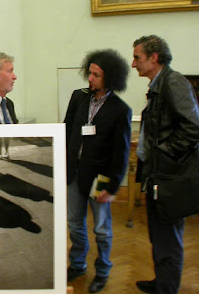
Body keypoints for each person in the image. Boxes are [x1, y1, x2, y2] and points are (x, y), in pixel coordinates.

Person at [132, 35, 199, 294]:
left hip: (170, 177)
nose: (133, 63)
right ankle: (162, 281)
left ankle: (167, 288)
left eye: (137, 57)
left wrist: (163, 153)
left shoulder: (174, 83)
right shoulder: (160, 84)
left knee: (168, 237)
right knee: (159, 234)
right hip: (159, 175)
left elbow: (193, 128)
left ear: (154, 57)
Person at [65, 49, 132, 293]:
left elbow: (121, 153)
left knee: (102, 230)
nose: (90, 78)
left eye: (96, 75)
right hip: (74, 174)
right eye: (90, 73)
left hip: (100, 178)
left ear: (110, 77)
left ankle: (102, 271)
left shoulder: (120, 110)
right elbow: (67, 131)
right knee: (75, 224)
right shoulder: (78, 98)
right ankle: (78, 264)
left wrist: (112, 187)